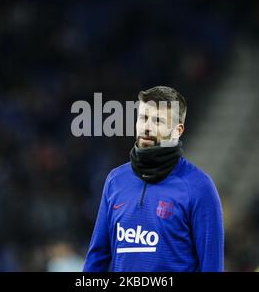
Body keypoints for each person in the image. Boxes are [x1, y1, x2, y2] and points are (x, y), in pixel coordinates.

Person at [83, 86, 224, 272]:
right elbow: (97, 258)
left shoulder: (198, 186)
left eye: (158, 121)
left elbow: (212, 265)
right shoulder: (116, 181)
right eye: (143, 118)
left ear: (178, 130)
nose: (147, 127)